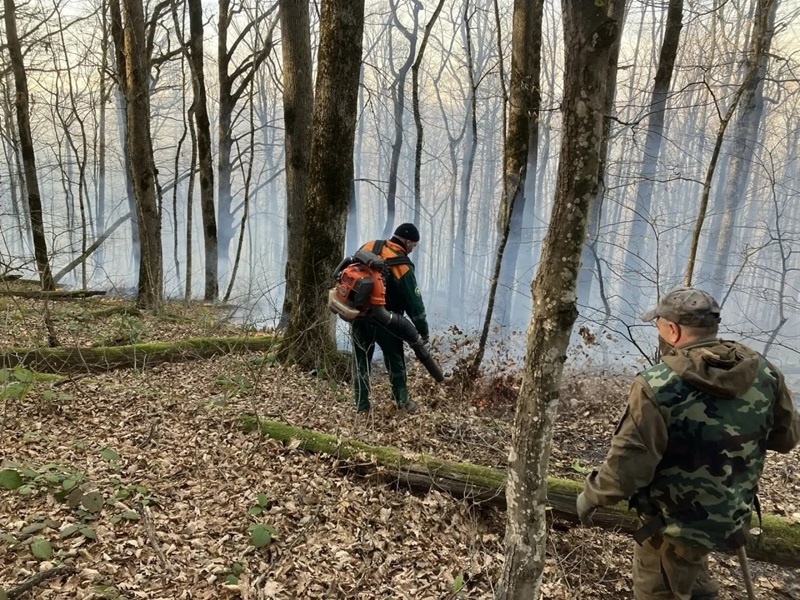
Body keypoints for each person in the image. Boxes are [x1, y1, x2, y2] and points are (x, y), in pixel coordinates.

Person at [576, 287, 800, 600]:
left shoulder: (656, 385)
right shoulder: (764, 373)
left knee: (661, 588)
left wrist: (589, 497)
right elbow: (787, 439)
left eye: (658, 324)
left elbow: (628, 467)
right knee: (692, 578)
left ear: (673, 330)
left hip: (669, 528)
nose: (658, 330)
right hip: (729, 518)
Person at [351, 223, 430, 414]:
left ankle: (361, 406)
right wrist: (423, 331)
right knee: (395, 360)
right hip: (386, 320)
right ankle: (401, 401)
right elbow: (414, 303)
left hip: (359, 315)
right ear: (408, 241)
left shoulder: (368, 247)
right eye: (414, 245)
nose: (413, 249)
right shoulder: (401, 265)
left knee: (360, 361)